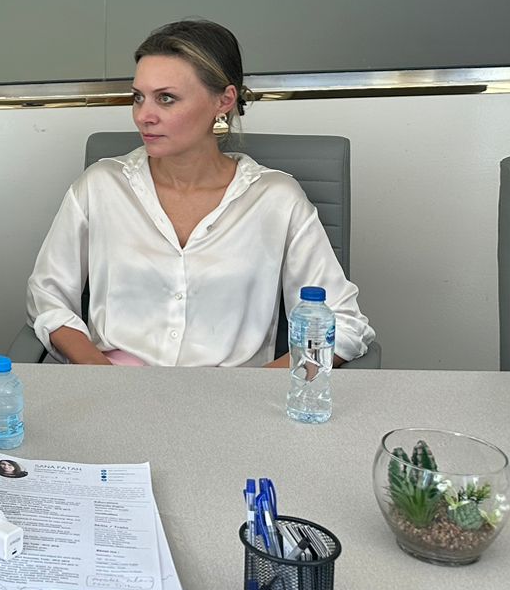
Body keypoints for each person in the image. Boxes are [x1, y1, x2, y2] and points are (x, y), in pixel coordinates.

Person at [26, 19, 375, 368]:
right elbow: (47, 296)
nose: (144, 116)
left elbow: (344, 325)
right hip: (115, 387)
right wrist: (97, 370)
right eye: (138, 97)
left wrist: (262, 387)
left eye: (166, 98)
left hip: (234, 394)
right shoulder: (100, 186)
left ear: (223, 101)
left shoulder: (276, 200)